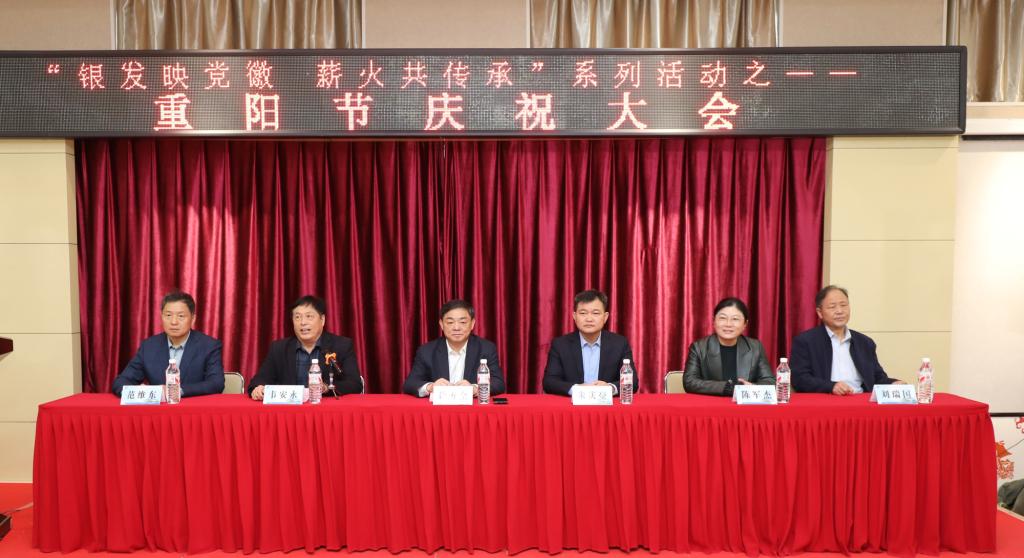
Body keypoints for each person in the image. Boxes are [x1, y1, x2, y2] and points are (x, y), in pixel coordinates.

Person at [791, 285, 904, 395]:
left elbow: (877, 378)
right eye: (832, 307)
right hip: (826, 400)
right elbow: (799, 379)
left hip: (860, 400)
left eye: (843, 305)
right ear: (820, 313)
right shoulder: (806, 341)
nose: (839, 311)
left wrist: (893, 383)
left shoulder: (865, 343)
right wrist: (831, 386)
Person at [248, 295, 362, 400]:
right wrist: (258, 388)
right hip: (289, 411)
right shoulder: (279, 348)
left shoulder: (341, 345)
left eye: (309, 316)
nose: (303, 322)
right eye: (297, 317)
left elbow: (355, 384)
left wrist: (327, 388)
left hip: (325, 410)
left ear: (322, 320)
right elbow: (258, 380)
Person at [112, 291, 225, 397]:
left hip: (192, 408)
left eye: (181, 316)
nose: (174, 322)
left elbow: (216, 383)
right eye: (168, 315)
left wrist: (176, 391)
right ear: (161, 317)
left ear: (193, 319)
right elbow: (121, 382)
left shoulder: (209, 346)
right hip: (158, 410)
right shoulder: (149, 347)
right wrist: (143, 392)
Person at [402, 299, 506, 397]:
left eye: (463, 322)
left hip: (471, 407)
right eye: (450, 322)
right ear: (441, 324)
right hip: (439, 408)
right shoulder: (427, 351)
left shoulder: (486, 348)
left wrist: (474, 389)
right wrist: (430, 387)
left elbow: (498, 383)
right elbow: (410, 383)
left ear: (472, 324)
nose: (456, 328)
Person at [542, 289, 637, 396]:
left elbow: (632, 382)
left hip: (607, 404)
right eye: (583, 313)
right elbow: (549, 382)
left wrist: (610, 388)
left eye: (595, 313)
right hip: (572, 404)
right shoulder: (560, 345)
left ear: (605, 317)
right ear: (574, 316)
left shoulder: (620, 344)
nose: (589, 319)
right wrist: (576, 389)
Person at [683, 297, 774, 396]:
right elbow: (689, 382)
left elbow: (770, 382)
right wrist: (727, 388)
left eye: (735, 319)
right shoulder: (699, 348)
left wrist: (751, 387)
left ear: (745, 324)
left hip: (744, 404)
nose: (728, 324)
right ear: (714, 321)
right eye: (722, 318)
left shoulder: (755, 347)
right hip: (711, 403)